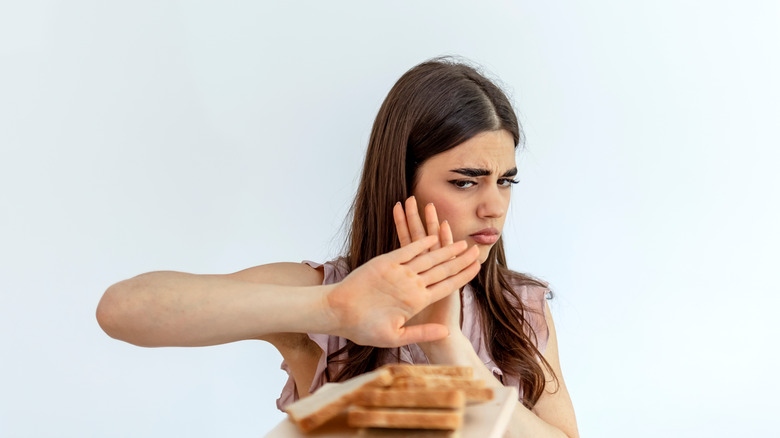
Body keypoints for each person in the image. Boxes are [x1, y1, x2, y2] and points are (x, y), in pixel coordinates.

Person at [96, 57, 579, 437]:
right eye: (466, 182)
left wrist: (446, 344)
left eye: (506, 181)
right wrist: (332, 307)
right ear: (401, 182)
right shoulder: (329, 295)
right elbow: (123, 309)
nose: (495, 206)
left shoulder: (519, 308)